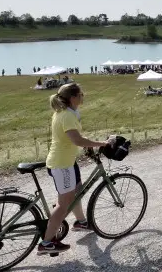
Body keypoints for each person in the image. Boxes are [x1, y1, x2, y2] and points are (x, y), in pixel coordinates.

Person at [39, 83, 110, 255]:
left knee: (76, 191)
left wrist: (88, 146)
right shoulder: (67, 116)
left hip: (65, 162)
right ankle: (47, 243)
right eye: (81, 94)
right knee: (63, 205)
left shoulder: (65, 112)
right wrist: (102, 143)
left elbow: (71, 138)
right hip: (62, 165)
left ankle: (80, 222)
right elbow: (77, 140)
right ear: (73, 98)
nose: (83, 96)